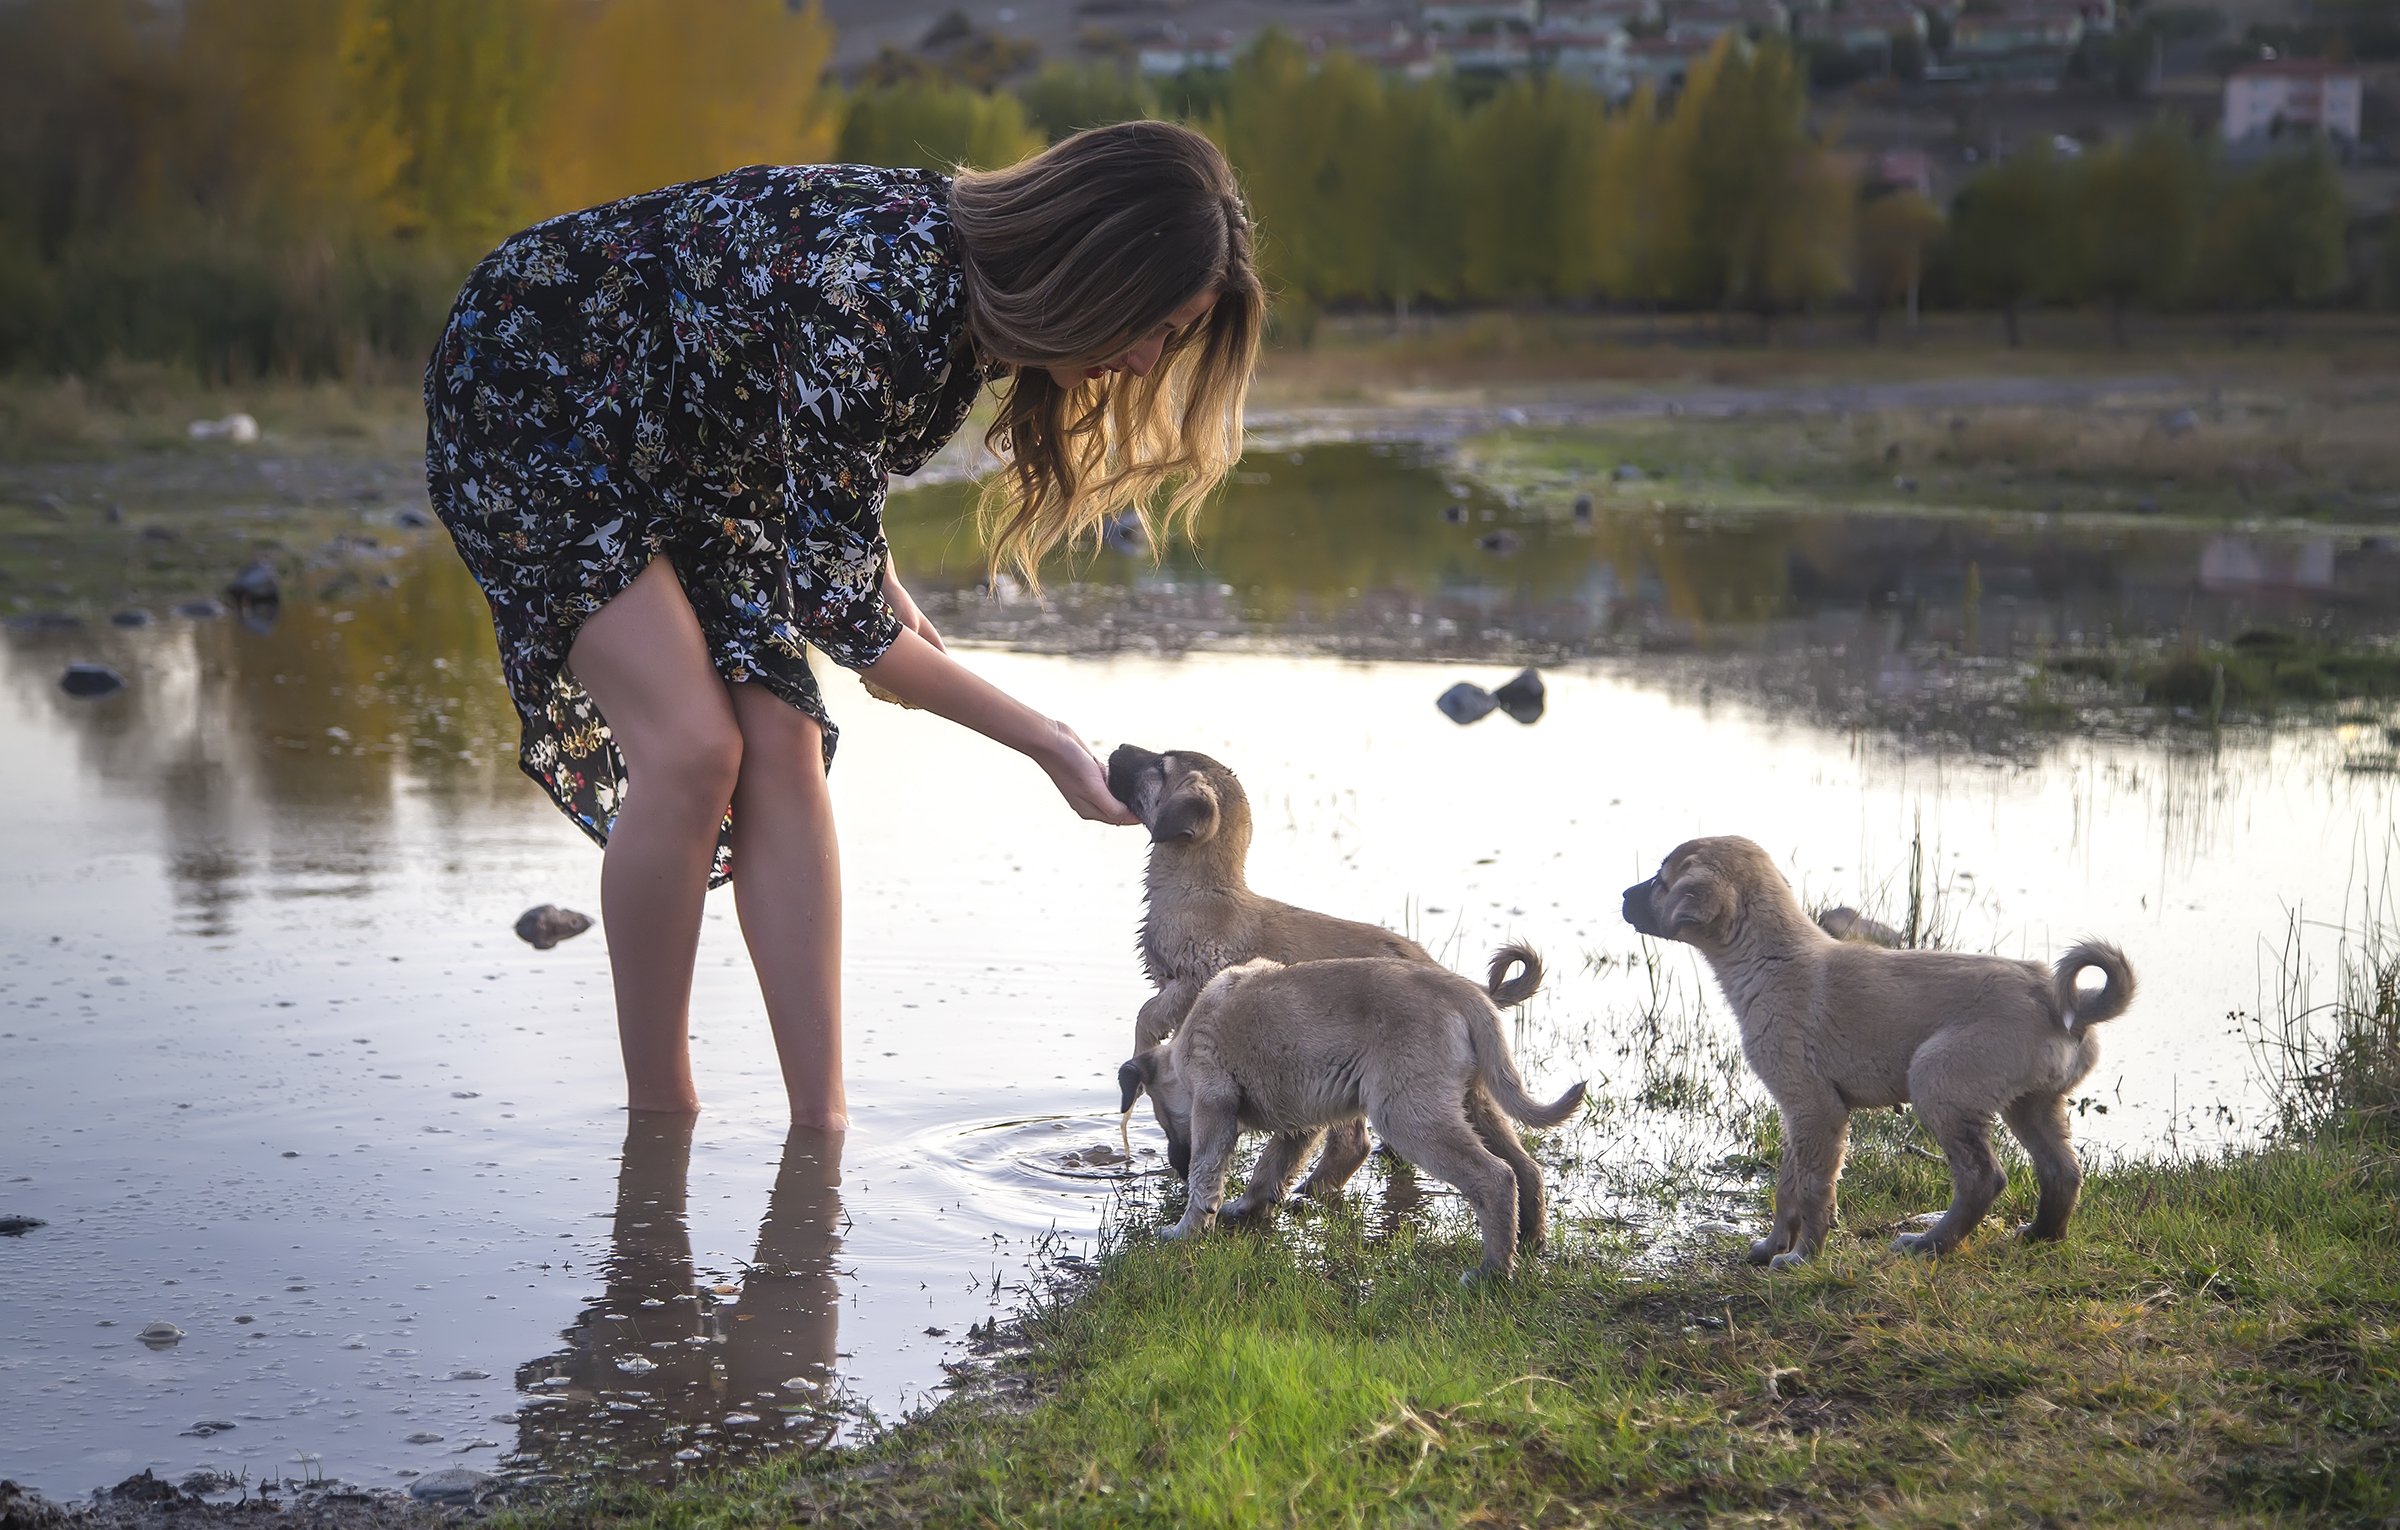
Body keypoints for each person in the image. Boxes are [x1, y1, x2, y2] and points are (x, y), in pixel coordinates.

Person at [424, 121, 1265, 1128]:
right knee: (693, 749)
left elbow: (826, 468)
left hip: (696, 437)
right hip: (540, 386)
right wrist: (1049, 741)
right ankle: (661, 1120)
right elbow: (846, 619)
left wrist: (883, 578)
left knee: (782, 736)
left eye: (1174, 337)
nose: (1146, 360)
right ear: (1093, 271)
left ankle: (820, 1127)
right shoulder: (882, 286)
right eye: (1155, 324)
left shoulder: (961, 299)